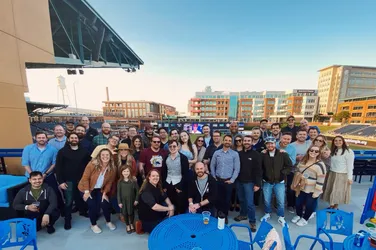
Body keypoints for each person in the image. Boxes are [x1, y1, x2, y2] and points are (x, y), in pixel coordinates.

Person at [21, 131, 64, 215]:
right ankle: (36, 213)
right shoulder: (28, 148)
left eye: (43, 137)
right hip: (32, 177)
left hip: (47, 175)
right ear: (35, 138)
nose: (41, 139)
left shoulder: (53, 149)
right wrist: (33, 176)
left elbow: (54, 163)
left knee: (55, 193)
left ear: (46, 138)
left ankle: (62, 210)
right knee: (34, 196)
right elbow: (25, 163)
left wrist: (45, 174)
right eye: (39, 138)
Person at [55, 133, 91, 229]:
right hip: (68, 181)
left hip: (81, 180)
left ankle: (83, 212)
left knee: (81, 198)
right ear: (68, 139)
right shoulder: (62, 152)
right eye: (72, 138)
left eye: (76, 138)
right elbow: (58, 168)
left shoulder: (84, 151)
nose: (74, 139)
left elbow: (90, 163)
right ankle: (67, 220)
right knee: (69, 201)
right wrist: (61, 181)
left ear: (78, 140)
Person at [78, 148, 117, 234]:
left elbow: (110, 182)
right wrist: (87, 192)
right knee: (92, 205)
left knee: (105, 203)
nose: (105, 157)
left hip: (100, 189)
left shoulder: (112, 168)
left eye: (107, 155)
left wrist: (105, 192)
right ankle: (93, 225)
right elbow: (85, 178)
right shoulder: (92, 164)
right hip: (86, 188)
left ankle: (108, 222)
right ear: (99, 156)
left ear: (110, 156)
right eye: (103, 155)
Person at [260, 137, 292, 226]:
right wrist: (264, 176)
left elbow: (290, 166)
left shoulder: (282, 154)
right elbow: (260, 167)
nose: (270, 145)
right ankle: (267, 213)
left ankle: (281, 216)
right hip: (267, 181)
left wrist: (282, 173)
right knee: (267, 199)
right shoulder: (263, 154)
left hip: (279, 182)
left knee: (281, 200)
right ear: (266, 145)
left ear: (275, 144)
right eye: (268, 143)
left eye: (272, 143)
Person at [291, 146, 326, 227]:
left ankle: (305, 218)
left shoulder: (320, 164)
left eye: (316, 151)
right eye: (312, 150)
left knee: (309, 204)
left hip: (312, 188)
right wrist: (300, 177)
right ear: (308, 151)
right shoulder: (303, 161)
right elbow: (297, 170)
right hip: (301, 187)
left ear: (319, 153)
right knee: (298, 202)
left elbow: (321, 179)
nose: (313, 152)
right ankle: (299, 215)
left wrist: (317, 191)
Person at [234, 135, 262, 232]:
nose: (246, 142)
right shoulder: (239, 154)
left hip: (249, 182)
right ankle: (243, 215)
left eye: (248, 141)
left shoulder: (256, 154)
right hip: (239, 181)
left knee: (250, 203)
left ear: (252, 142)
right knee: (242, 200)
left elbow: (259, 170)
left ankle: (252, 222)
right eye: (245, 140)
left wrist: (258, 184)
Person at [210, 134, 240, 223]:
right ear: (223, 141)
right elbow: (212, 165)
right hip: (218, 180)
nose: (227, 142)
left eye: (229, 141)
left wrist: (232, 180)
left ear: (231, 143)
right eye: (226, 140)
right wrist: (214, 176)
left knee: (226, 200)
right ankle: (218, 213)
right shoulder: (217, 153)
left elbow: (237, 168)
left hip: (228, 181)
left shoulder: (235, 154)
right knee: (217, 198)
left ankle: (224, 215)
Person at [322, 136, 355, 210]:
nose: (338, 142)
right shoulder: (333, 151)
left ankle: (335, 207)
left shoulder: (349, 151)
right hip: (332, 173)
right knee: (331, 190)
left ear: (343, 141)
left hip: (342, 174)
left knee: (337, 192)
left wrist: (350, 178)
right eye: (336, 140)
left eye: (340, 140)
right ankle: (331, 205)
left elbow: (350, 166)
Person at [162, 140, 189, 214]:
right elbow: (164, 172)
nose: (172, 148)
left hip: (179, 183)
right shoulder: (166, 158)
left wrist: (180, 186)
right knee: (170, 203)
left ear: (178, 147)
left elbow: (186, 174)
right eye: (170, 146)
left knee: (180, 205)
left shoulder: (183, 158)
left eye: (174, 146)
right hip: (168, 183)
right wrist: (164, 185)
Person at [117, 166, 139, 234]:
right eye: (124, 171)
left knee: (131, 212)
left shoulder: (133, 181)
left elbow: (138, 191)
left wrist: (136, 199)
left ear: (130, 172)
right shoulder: (120, 182)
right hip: (123, 201)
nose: (126, 173)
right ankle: (127, 225)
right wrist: (119, 202)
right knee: (125, 213)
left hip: (131, 200)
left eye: (127, 171)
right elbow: (118, 192)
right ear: (121, 172)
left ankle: (131, 224)